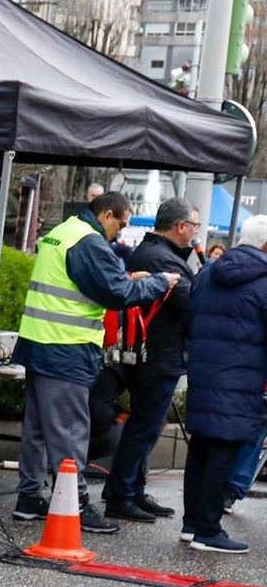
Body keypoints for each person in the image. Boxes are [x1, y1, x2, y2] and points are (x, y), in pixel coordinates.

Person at [11, 192, 175, 532]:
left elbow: (81, 283)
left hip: (40, 341)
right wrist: (158, 283)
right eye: (122, 224)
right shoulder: (89, 242)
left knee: (38, 429)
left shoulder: (64, 231)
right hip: (66, 348)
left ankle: (29, 498)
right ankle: (77, 505)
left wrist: (129, 279)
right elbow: (118, 294)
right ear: (108, 215)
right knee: (70, 431)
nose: (120, 232)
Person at [101, 197, 197, 522]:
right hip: (156, 355)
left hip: (150, 352)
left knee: (146, 427)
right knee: (144, 427)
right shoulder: (161, 258)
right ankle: (121, 494)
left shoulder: (154, 252)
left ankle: (133, 490)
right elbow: (187, 304)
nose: (197, 232)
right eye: (195, 226)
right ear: (181, 226)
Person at [180, 214, 267, 552]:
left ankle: (191, 525)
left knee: (200, 447)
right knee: (224, 450)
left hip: (204, 373)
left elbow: (190, 318)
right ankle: (208, 529)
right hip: (242, 378)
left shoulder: (207, 273)